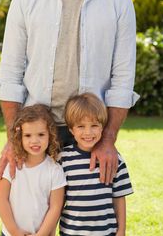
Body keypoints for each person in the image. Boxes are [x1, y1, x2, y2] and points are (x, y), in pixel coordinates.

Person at [0, 0, 139, 184]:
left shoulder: (118, 2)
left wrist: (107, 140)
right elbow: (11, 73)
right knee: (33, 225)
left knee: (86, 224)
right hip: (36, 131)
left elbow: (123, 77)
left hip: (89, 135)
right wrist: (13, 139)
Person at [59, 92, 133, 236]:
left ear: (102, 127)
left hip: (106, 232)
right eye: (81, 126)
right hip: (71, 232)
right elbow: (58, 200)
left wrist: (121, 230)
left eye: (94, 125)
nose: (88, 132)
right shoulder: (63, 159)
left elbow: (119, 198)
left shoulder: (113, 158)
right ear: (71, 130)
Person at [0, 104, 66, 236]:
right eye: (28, 135)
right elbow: (1, 199)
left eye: (41, 134)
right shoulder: (12, 165)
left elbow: (55, 207)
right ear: (20, 137)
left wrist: (41, 234)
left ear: (50, 135)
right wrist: (15, 231)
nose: (35, 141)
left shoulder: (55, 170)